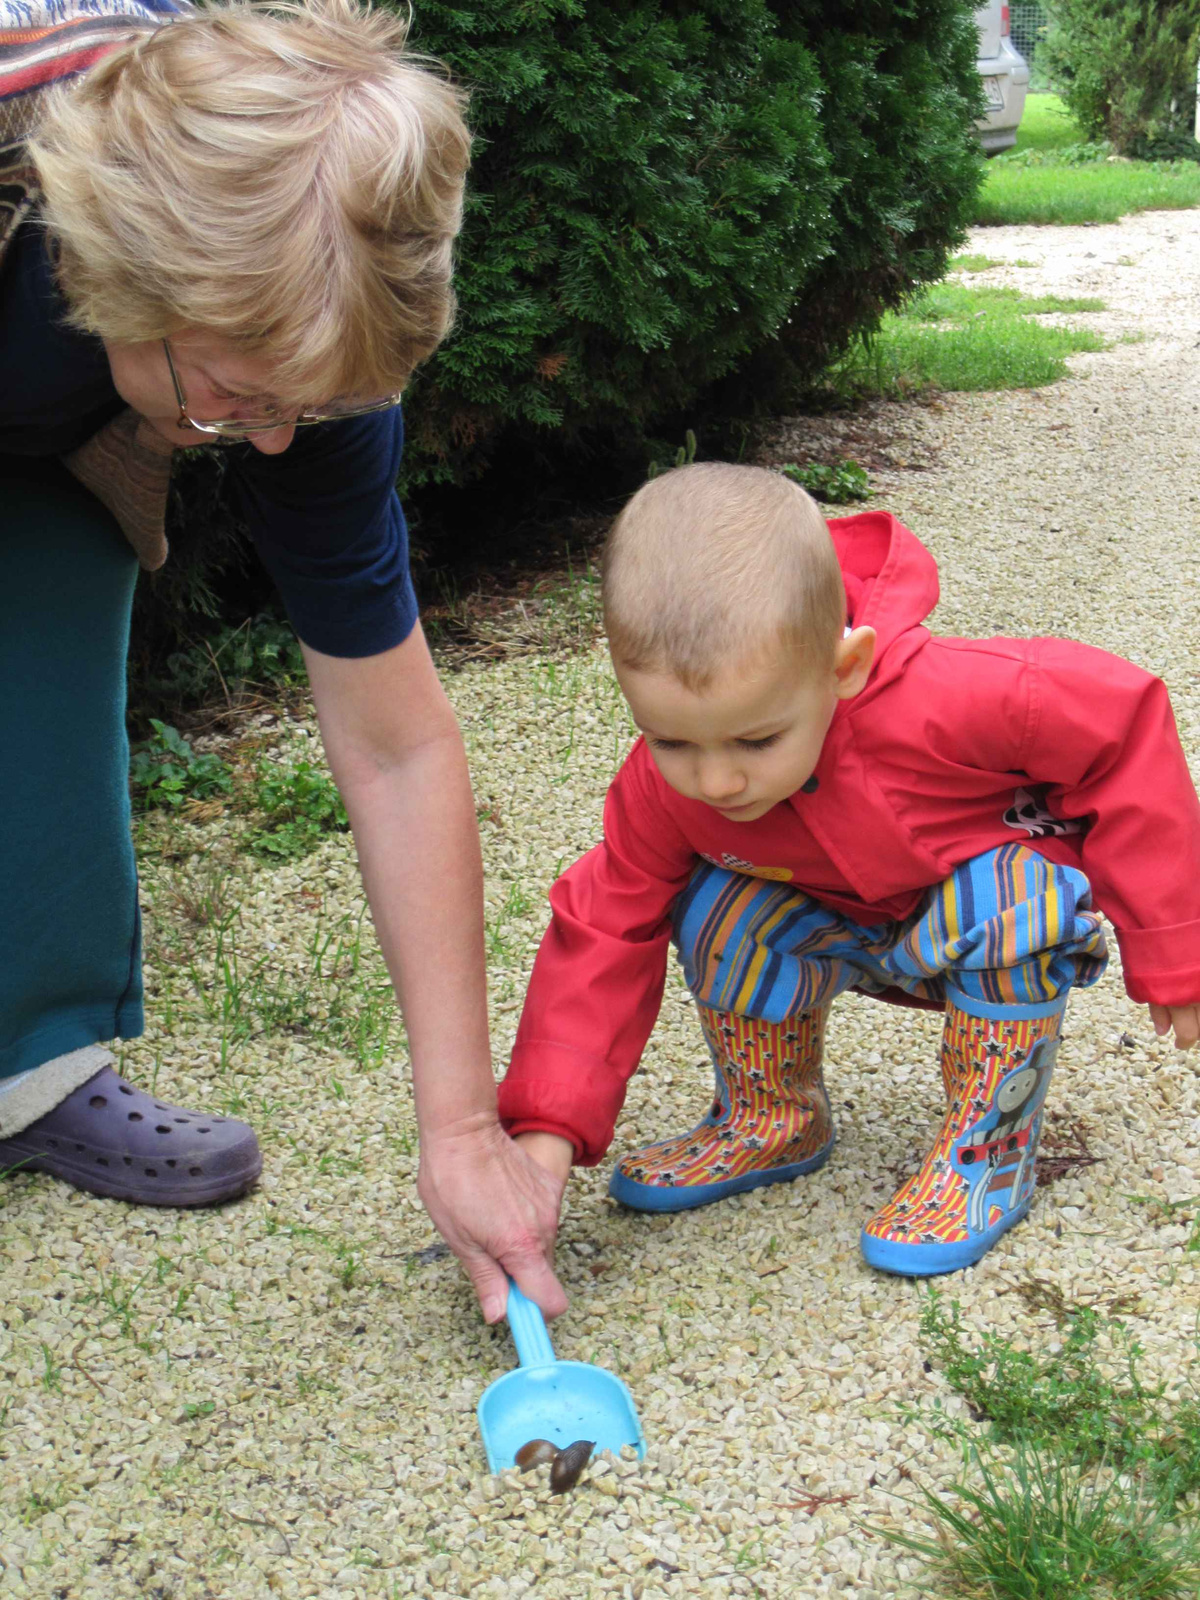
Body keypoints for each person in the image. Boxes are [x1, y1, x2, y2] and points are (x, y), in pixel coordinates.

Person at [0, 0, 567, 1322]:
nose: (268, 445)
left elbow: (393, 739)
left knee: (49, 661)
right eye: (235, 401)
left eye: (299, 405)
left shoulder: (306, 340)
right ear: (125, 279)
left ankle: (31, 1071)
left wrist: (461, 1132)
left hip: (63, 406)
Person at [499, 463, 1200, 1277]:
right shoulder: (663, 791)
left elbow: (1124, 729)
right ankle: (771, 1117)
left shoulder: (964, 696)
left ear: (846, 666)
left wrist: (1176, 948)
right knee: (718, 905)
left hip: (973, 930)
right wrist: (545, 1134)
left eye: (756, 741)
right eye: (671, 739)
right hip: (829, 926)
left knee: (1021, 897)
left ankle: (989, 1154)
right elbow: (606, 924)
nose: (716, 780)